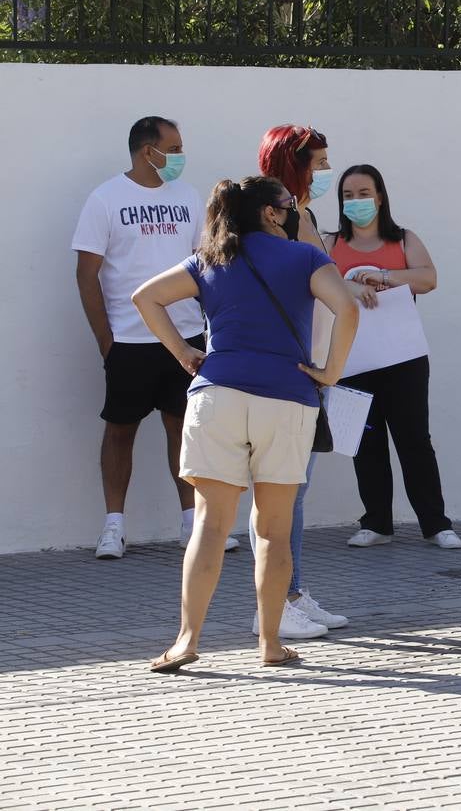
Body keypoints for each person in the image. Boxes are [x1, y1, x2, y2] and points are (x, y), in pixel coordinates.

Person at [132, 176, 358, 672]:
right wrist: (331, 372)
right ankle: (271, 643)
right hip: (288, 396)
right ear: (272, 213)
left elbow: (145, 298)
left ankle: (187, 641)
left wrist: (184, 352)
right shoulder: (305, 258)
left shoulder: (209, 258)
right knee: (274, 530)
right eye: (287, 206)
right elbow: (347, 307)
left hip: (217, 394)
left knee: (210, 526)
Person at [72, 116, 238, 558]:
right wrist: (107, 341)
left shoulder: (186, 197)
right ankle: (113, 526)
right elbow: (87, 276)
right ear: (149, 150)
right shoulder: (106, 199)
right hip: (128, 341)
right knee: (120, 431)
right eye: (175, 146)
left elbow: (206, 266)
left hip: (185, 337)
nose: (181, 155)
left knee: (185, 428)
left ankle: (192, 523)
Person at [324, 164, 461, 550]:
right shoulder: (329, 242)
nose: (356, 202)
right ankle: (377, 523)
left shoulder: (403, 239)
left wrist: (384, 276)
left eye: (364, 193)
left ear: (380, 196)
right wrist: (349, 286)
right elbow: (317, 281)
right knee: (365, 441)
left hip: (403, 357)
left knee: (414, 439)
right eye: (348, 195)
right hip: (350, 357)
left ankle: (436, 523)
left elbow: (428, 278)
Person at [252, 124, 347, 638]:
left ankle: (291, 589)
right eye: (319, 162)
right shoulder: (278, 219)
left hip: (311, 365)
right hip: (293, 367)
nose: (326, 171)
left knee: (297, 488)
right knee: (283, 490)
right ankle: (274, 601)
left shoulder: (302, 215)